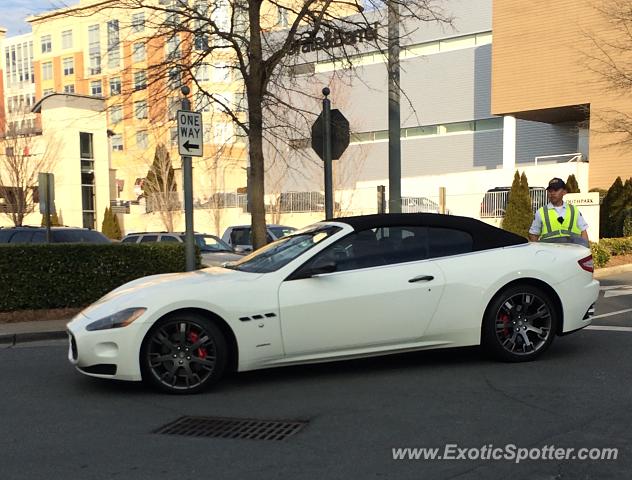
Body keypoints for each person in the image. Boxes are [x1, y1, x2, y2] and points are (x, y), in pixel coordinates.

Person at [528, 177, 589, 247]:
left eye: (556, 190)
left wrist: (586, 250)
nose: (552, 193)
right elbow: (533, 235)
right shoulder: (541, 212)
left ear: (564, 192)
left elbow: (583, 232)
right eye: (550, 191)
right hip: (550, 254)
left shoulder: (574, 210)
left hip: (572, 253)